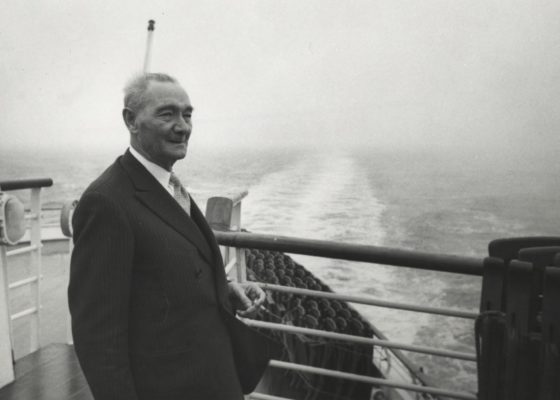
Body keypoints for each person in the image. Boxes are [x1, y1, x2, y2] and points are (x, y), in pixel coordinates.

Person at [68, 72, 278, 400]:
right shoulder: (107, 202)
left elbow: (167, 271)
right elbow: (97, 336)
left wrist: (223, 290)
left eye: (187, 114)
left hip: (214, 377)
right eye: (167, 114)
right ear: (131, 121)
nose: (183, 126)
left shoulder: (166, 185)